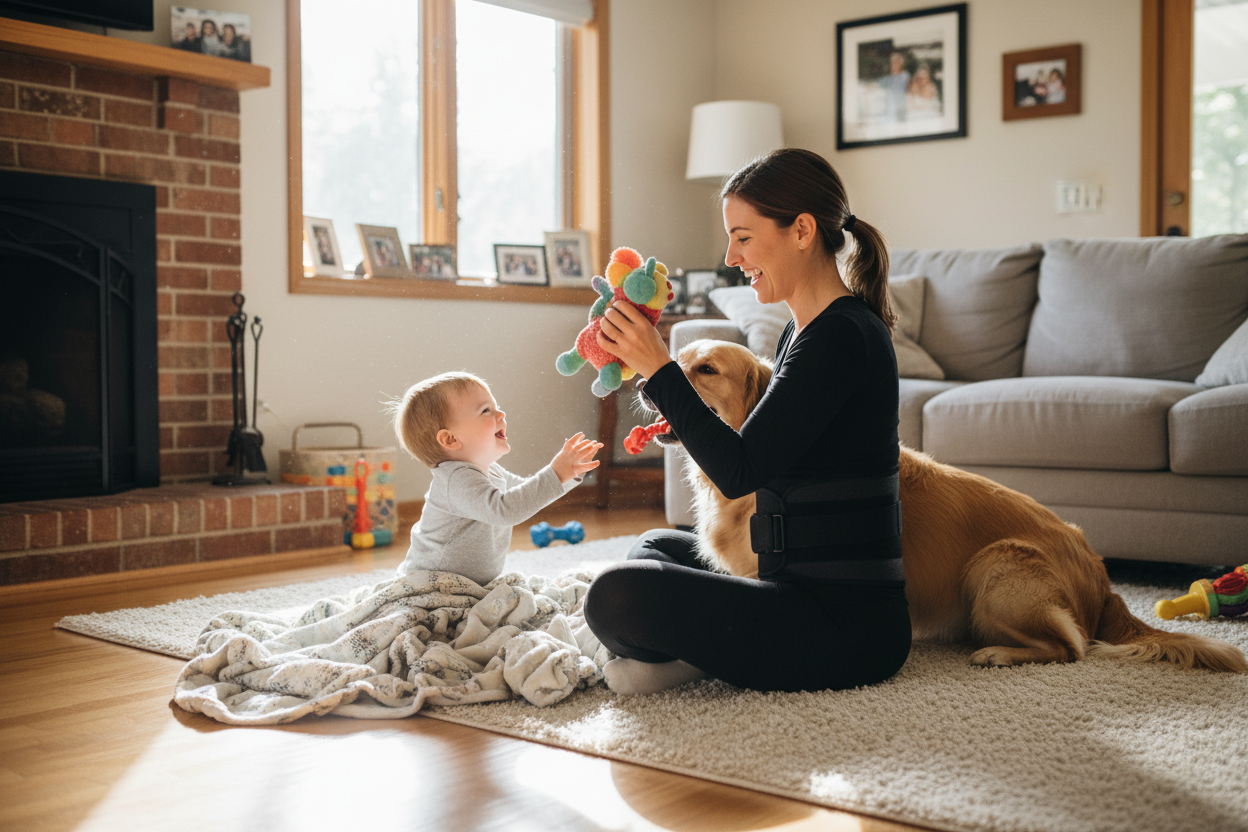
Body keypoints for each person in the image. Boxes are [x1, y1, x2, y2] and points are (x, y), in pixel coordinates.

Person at [582, 148, 911, 695]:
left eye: (743, 236)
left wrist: (662, 370)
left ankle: (702, 655)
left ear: (802, 230)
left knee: (615, 597)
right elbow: (758, 452)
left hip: (845, 625)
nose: (732, 256)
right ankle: (709, 650)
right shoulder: (803, 333)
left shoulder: (841, 336)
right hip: (785, 579)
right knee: (657, 547)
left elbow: (741, 469)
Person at [390, 372, 602, 585]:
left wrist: (570, 474)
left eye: (495, 406)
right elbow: (506, 509)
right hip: (430, 585)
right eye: (485, 411)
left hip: (465, 586)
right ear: (450, 439)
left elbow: (525, 493)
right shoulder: (455, 480)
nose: (501, 414)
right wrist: (556, 473)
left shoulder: (491, 471)